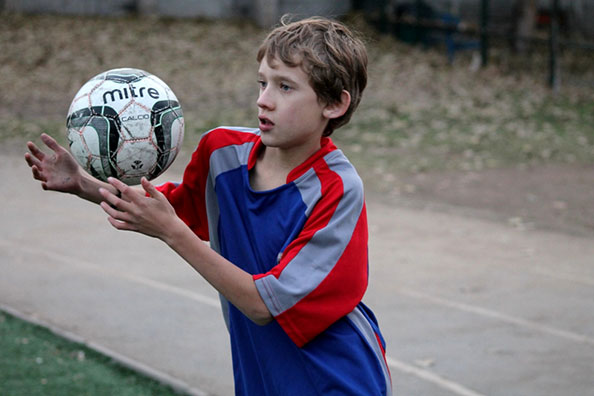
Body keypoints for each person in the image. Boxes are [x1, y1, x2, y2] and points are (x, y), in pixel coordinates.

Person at [25, 16, 392, 395]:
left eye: (285, 87)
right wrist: (83, 184)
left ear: (333, 104)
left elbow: (265, 305)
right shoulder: (222, 152)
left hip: (337, 378)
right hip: (260, 374)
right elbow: (171, 208)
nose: (263, 99)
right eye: (262, 82)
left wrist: (172, 233)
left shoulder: (337, 189)